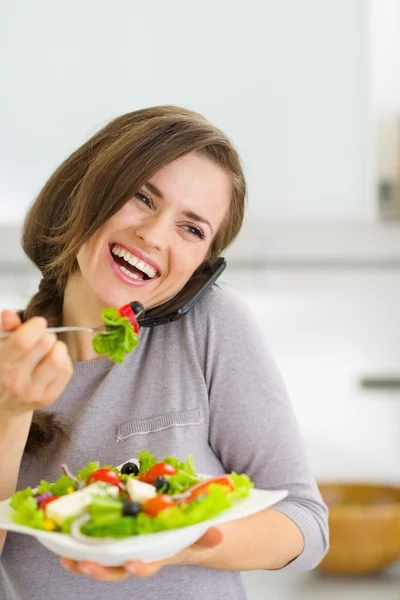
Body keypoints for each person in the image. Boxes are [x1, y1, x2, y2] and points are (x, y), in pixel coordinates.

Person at [0, 105, 328, 600]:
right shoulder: (9, 362)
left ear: (201, 265)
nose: (152, 236)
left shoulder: (211, 327)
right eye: (141, 197)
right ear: (83, 192)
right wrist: (10, 410)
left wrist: (188, 543)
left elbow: (306, 524)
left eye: (192, 229)